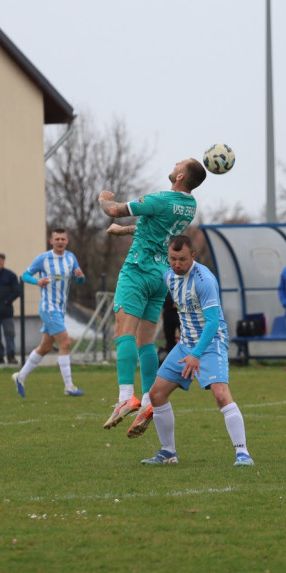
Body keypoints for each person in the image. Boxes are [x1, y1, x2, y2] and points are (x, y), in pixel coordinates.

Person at [98, 157, 206, 433]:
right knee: (145, 341)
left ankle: (125, 397)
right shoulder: (189, 206)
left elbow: (115, 209)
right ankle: (147, 400)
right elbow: (156, 226)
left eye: (179, 164)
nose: (174, 164)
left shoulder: (160, 198)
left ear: (180, 176)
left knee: (123, 332)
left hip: (138, 269)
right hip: (161, 276)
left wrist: (103, 198)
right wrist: (125, 231)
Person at [136, 235, 253, 467]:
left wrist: (197, 354)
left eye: (181, 259)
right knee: (156, 395)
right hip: (185, 344)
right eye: (172, 259)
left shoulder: (204, 280)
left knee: (220, 394)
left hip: (211, 343)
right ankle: (168, 452)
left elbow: (212, 323)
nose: (176, 264)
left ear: (193, 256)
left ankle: (243, 453)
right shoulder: (169, 275)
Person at [11, 229, 85, 397]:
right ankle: (69, 386)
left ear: (67, 241)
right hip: (48, 308)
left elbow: (80, 280)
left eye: (62, 239)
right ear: (51, 241)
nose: (60, 241)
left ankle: (20, 376)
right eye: (56, 239)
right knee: (65, 343)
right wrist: (37, 281)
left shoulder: (70, 258)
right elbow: (24, 276)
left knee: (45, 347)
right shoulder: (43, 259)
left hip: (60, 310)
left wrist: (80, 276)